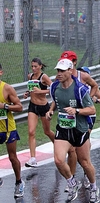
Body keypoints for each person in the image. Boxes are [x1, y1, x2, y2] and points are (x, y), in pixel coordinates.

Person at [46, 59, 100, 203]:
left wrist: (76, 110)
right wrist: (51, 111)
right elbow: (57, 100)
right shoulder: (54, 87)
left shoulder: (80, 89)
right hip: (63, 129)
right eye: (58, 71)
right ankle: (72, 183)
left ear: (70, 71)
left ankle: (94, 187)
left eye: (62, 71)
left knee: (85, 162)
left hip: (79, 129)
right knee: (58, 160)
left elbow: (92, 109)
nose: (59, 74)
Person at [23, 58, 54, 168]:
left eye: (36, 66)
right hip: (32, 106)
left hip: (43, 107)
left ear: (40, 66)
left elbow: (53, 88)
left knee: (47, 131)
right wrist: (27, 93)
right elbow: (31, 89)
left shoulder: (43, 77)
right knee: (31, 132)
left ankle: (59, 146)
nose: (34, 68)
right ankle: (33, 159)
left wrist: (41, 91)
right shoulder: (30, 76)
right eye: (32, 66)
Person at [0, 63, 25, 198]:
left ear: (1, 73)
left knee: (12, 157)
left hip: (8, 129)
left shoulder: (7, 88)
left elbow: (20, 107)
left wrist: (4, 106)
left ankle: (18, 182)